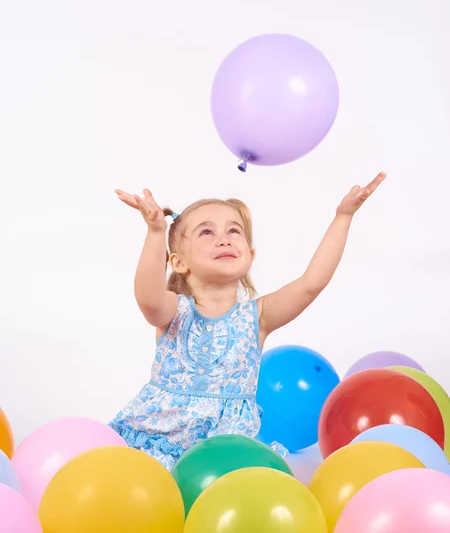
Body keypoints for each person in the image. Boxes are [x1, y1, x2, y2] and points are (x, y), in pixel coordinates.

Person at [109, 172, 386, 470]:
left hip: (223, 452)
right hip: (155, 440)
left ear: (250, 255)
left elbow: (311, 283)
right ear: (178, 261)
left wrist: (343, 217)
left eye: (234, 231)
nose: (224, 239)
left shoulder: (257, 317)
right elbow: (148, 298)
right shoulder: (174, 311)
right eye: (206, 233)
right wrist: (155, 233)